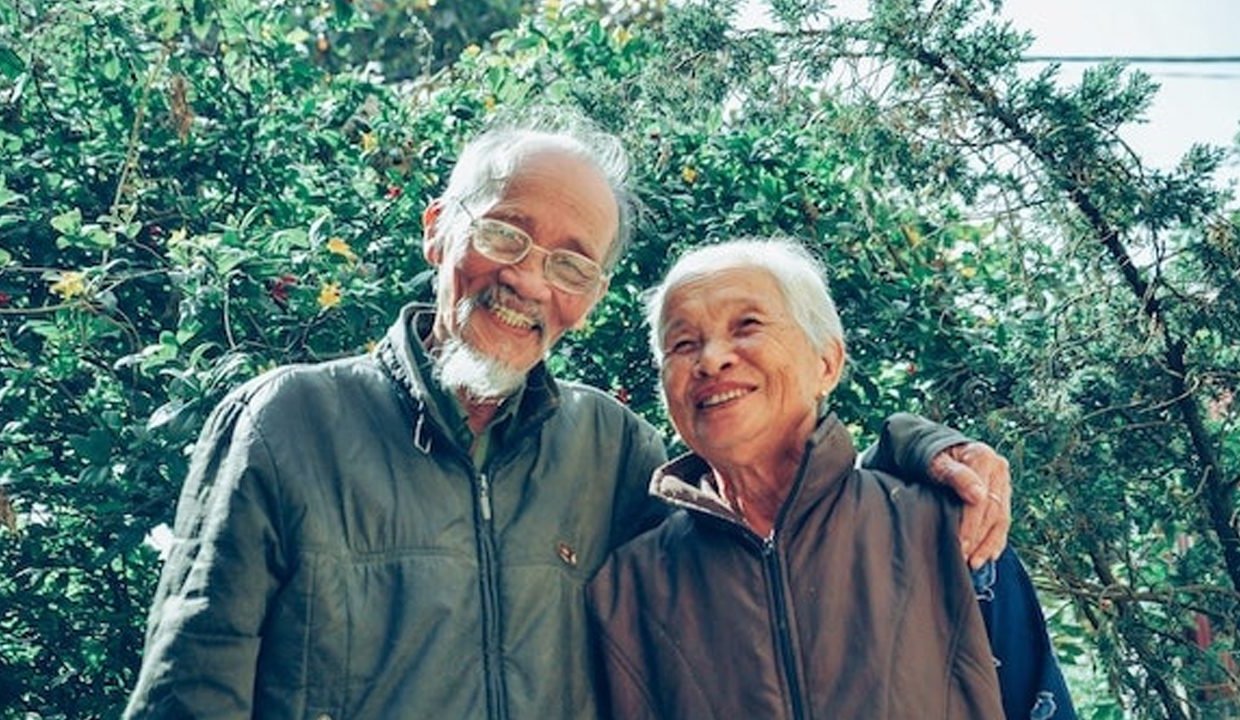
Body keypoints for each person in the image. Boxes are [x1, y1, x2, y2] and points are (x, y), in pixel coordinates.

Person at [124, 114, 1015, 719]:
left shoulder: (614, 450)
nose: (526, 279)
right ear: (439, 230)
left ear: (588, 296)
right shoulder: (289, 422)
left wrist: (919, 448)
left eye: (572, 263)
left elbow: (766, 514)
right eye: (504, 233)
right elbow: (189, 689)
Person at [587, 238, 1075, 719]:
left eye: (748, 325)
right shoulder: (629, 588)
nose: (711, 359)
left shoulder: (947, 526)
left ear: (827, 363)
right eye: (683, 343)